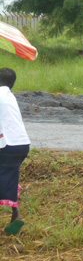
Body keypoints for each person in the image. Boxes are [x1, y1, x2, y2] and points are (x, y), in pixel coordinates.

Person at [0, 67, 30, 235]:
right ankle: (15, 215)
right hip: (22, 144)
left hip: (8, 144)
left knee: (4, 177)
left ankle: (16, 214)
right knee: (8, 176)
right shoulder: (10, 97)